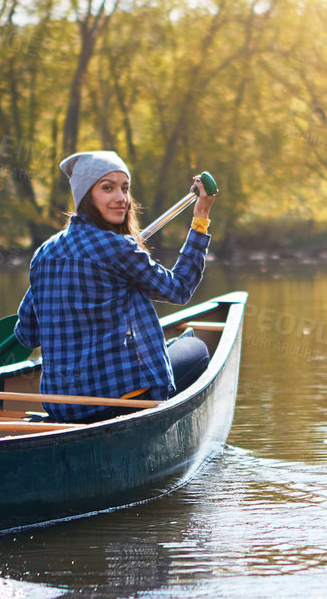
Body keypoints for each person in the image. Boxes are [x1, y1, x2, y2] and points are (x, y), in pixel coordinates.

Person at [15, 150, 216, 423]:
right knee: (195, 349)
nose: (121, 198)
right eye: (107, 188)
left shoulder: (44, 254)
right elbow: (179, 289)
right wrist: (201, 216)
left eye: (124, 188)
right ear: (87, 195)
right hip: (120, 401)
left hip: (63, 407)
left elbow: (27, 336)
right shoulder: (119, 247)